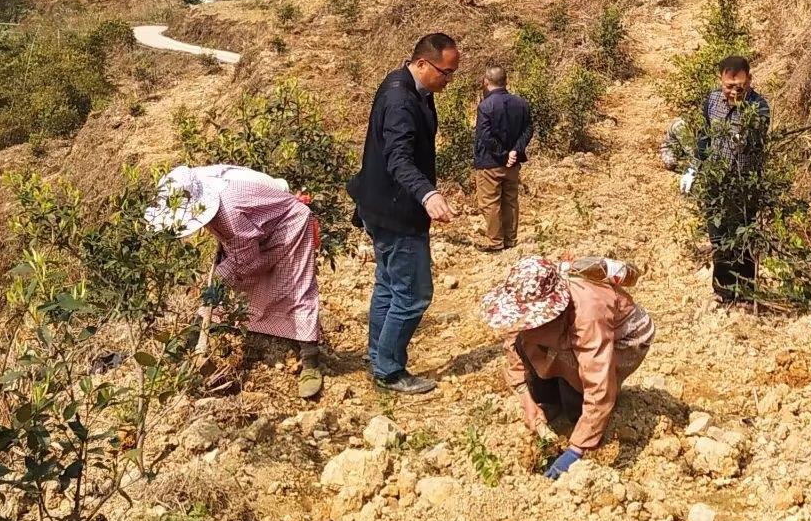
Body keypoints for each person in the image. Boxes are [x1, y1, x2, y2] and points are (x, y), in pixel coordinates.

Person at [149, 163, 326, 399]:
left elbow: (247, 265)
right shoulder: (197, 180)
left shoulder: (230, 214)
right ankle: (192, 342)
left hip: (289, 225)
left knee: (295, 287)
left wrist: (215, 282)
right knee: (223, 282)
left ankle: (311, 360)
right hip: (258, 226)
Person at [347, 31, 460, 394]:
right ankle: (390, 370)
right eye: (446, 73)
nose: (449, 80)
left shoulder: (413, 88)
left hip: (381, 205)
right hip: (396, 211)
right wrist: (427, 194)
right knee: (413, 294)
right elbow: (398, 157)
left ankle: (377, 354)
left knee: (388, 285)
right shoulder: (400, 99)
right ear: (423, 63)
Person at [480, 254, 655, 477]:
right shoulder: (524, 306)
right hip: (575, 333)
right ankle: (552, 400)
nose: (526, 326)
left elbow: (598, 382)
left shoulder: (587, 313)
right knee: (526, 345)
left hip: (626, 338)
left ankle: (577, 411)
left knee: (577, 391)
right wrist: (527, 401)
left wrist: (576, 449)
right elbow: (513, 346)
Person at [680, 55, 772, 303]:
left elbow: (756, 142)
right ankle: (722, 292)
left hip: (745, 187)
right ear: (721, 80)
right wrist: (694, 168)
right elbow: (705, 138)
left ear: (749, 80)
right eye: (728, 86)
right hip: (716, 184)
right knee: (719, 239)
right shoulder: (711, 101)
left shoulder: (759, 107)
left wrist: (743, 122)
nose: (733, 91)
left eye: (739, 86)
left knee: (743, 239)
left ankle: (745, 294)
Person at [472, 65, 533, 253]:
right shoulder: (521, 103)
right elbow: (528, 129)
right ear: (506, 81)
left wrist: (502, 154)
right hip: (512, 164)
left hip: (490, 162)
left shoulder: (485, 106)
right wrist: (515, 150)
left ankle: (495, 242)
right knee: (510, 200)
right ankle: (511, 240)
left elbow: (485, 136)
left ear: (486, 82)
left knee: (490, 202)